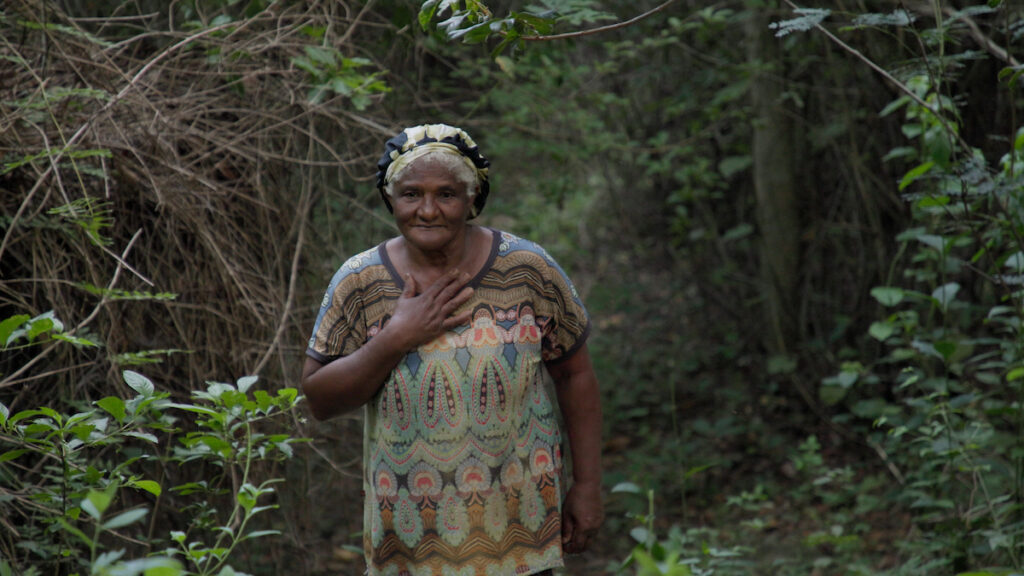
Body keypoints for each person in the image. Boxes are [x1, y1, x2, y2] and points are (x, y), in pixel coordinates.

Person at [302, 124, 603, 576]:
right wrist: (396, 337)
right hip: (410, 546)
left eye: (446, 194)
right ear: (390, 198)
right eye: (411, 194)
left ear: (471, 198)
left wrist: (588, 484)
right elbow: (319, 400)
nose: (428, 210)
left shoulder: (527, 269)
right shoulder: (359, 281)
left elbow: (574, 374)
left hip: (521, 536)